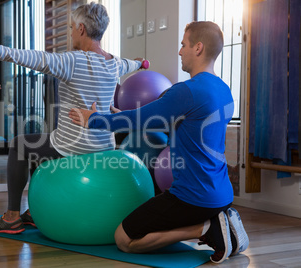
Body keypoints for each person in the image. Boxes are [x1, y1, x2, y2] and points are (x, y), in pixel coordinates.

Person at [69, 21, 249, 264]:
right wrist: (117, 114)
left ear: (198, 48)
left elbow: (141, 118)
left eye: (183, 45)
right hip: (222, 194)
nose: (179, 51)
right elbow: (176, 124)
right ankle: (218, 221)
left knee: (124, 239)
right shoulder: (223, 89)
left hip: (192, 197)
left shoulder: (187, 91)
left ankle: (205, 229)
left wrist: (96, 120)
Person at [0, 2, 147, 234]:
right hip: (104, 146)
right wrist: (140, 63)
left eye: (72, 27)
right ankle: (35, 212)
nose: (71, 31)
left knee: (19, 144)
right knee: (39, 144)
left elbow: (33, 58)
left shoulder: (72, 61)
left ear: (82, 29)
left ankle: (12, 216)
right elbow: (132, 64)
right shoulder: (115, 64)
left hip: (75, 146)